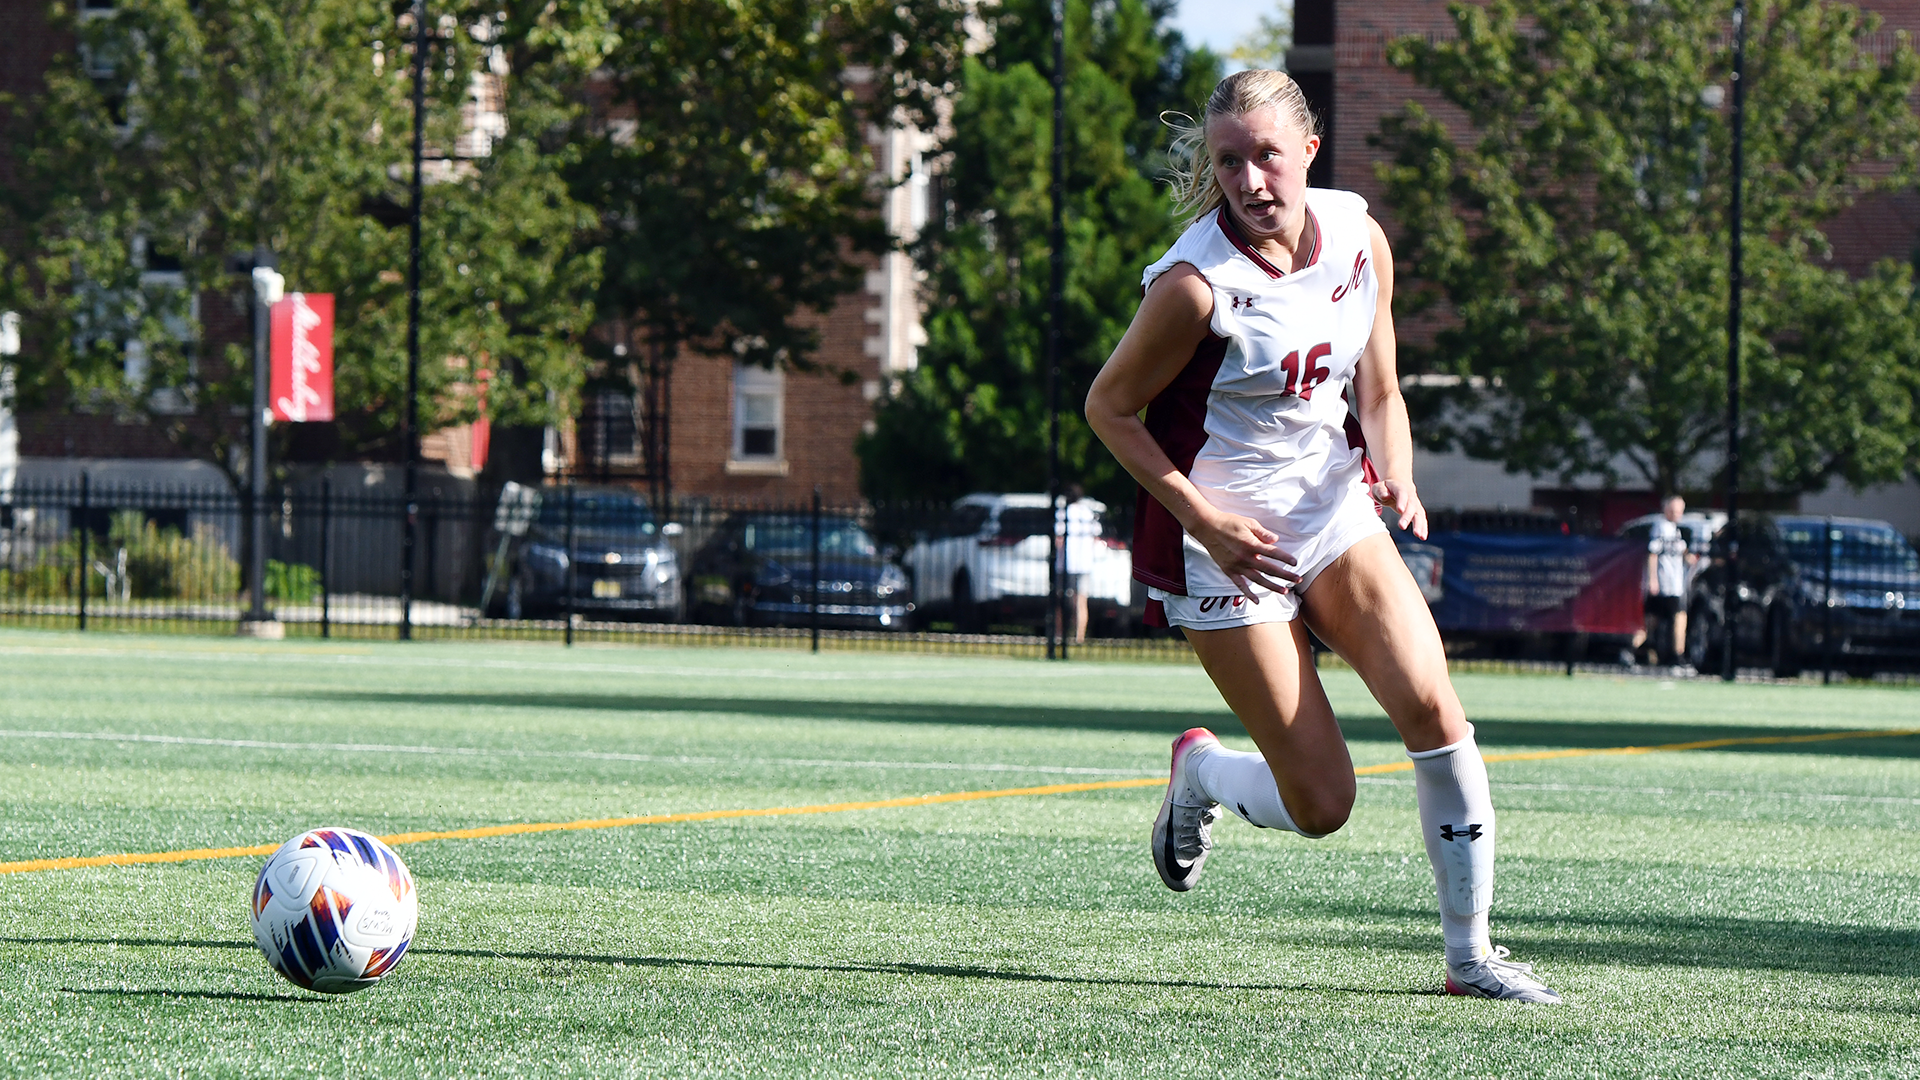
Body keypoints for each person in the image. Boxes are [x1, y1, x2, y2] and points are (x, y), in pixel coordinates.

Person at [1084, 69, 1559, 1002]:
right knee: (1323, 806)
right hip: (1227, 542)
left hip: (1333, 508)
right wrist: (1207, 520)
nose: (1251, 180)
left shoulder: (1355, 233)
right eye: (1230, 162)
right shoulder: (1193, 285)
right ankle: (1207, 771)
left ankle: (1471, 959)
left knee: (1435, 712)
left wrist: (1398, 471)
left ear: (1309, 149)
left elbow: (1379, 391)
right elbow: (1108, 408)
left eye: (1267, 155)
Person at [1646, 495, 1697, 667]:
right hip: (1665, 583)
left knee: (1660, 619)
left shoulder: (1675, 530)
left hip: (1675, 584)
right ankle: (1677, 657)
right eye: (1676, 510)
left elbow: (1682, 551)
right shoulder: (1661, 527)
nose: (1679, 514)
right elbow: (1652, 554)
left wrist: (1691, 558)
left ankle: (1634, 650)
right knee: (1675, 617)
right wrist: (1653, 580)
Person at [1056, 484, 1100, 644]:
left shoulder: (1063, 513)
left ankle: (1059, 635)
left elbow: (1058, 539)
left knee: (1060, 601)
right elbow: (1096, 537)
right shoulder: (1087, 513)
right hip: (1084, 564)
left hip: (1065, 564)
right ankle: (1079, 637)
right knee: (1081, 602)